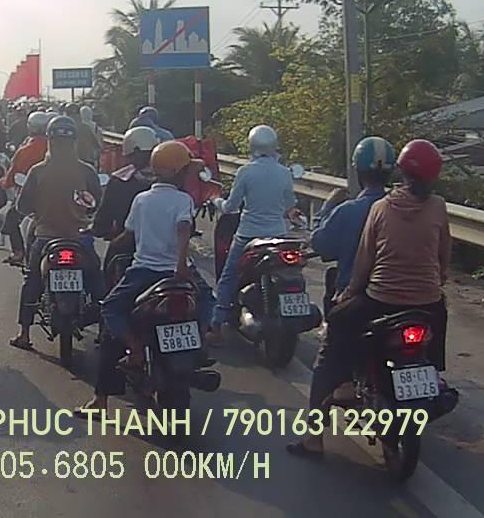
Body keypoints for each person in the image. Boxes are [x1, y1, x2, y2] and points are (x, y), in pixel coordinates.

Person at [287, 139, 451, 460]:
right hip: (426, 302)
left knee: (330, 351)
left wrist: (348, 294)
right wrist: (436, 281)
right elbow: (444, 256)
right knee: (438, 315)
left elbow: (364, 263)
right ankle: (433, 371)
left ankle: (313, 436)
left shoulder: (380, 208)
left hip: (381, 300)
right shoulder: (438, 207)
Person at [74, 141, 213, 413]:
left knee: (110, 309)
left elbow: (129, 235)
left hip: (144, 272)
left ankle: (115, 379)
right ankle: (200, 340)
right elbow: (183, 227)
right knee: (208, 300)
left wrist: (107, 241)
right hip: (176, 273)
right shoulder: (183, 200)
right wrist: (181, 264)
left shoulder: (142, 199)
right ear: (179, 172)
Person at [9, 115, 105, 350]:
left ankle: (24, 334)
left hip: (45, 238)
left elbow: (22, 206)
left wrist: (38, 210)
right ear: (74, 141)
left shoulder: (38, 171)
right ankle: (105, 330)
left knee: (32, 281)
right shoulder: (86, 171)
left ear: (49, 140)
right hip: (80, 238)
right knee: (96, 280)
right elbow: (98, 203)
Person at [209, 124, 297, 343]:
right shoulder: (284, 173)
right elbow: (289, 204)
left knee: (228, 277)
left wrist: (215, 200)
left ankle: (216, 326)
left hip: (248, 236)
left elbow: (231, 207)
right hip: (278, 236)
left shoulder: (246, 172)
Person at [310, 136, 396, 307]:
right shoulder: (401, 209)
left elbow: (320, 245)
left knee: (335, 317)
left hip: (356, 297)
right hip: (395, 295)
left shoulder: (347, 211)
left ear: (358, 172)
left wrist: (326, 208)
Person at [91, 126, 159, 276]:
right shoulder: (171, 179)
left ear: (133, 152)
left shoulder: (119, 180)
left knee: (108, 277)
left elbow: (104, 216)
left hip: (127, 245)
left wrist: (98, 229)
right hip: (166, 251)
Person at [0, 111, 51, 266]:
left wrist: (3, 182)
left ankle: (18, 252)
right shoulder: (59, 149)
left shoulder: (25, 151)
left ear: (30, 127)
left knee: (11, 218)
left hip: (32, 198)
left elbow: (10, 178)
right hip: (60, 198)